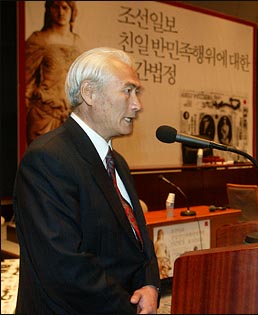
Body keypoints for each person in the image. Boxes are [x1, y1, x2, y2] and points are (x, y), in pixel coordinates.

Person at [13, 47, 160, 314]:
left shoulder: (117, 162)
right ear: (89, 93)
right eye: (128, 91)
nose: (137, 104)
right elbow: (63, 266)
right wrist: (130, 309)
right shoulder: (47, 158)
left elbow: (138, 241)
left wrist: (150, 285)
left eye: (137, 92)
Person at [25, 0, 86, 145]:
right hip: (45, 114)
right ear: (49, 9)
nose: (60, 12)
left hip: (73, 116)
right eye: (55, 7)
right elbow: (25, 80)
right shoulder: (39, 39)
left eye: (65, 7)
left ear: (72, 11)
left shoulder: (78, 42)